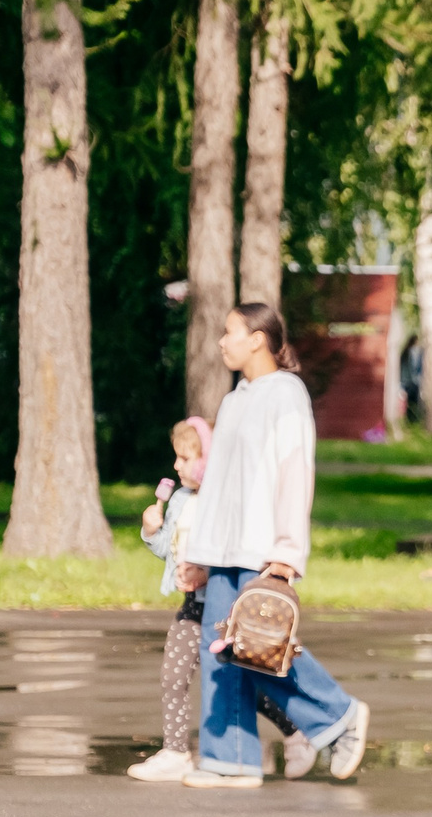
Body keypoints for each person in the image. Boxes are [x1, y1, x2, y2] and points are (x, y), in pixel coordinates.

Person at [177, 303, 370, 787]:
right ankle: (231, 760)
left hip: (261, 548)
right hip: (223, 551)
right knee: (221, 650)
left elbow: (295, 472)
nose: (222, 342)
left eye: (230, 332)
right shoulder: (234, 399)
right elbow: (216, 485)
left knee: (262, 647)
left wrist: (287, 550)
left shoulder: (287, 394)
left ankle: (339, 715)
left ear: (258, 339)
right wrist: (199, 556)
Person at [129, 417, 213, 782]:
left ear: (207, 459)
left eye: (184, 457)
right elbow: (168, 549)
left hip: (222, 604)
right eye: (175, 458)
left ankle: (294, 733)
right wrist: (151, 530)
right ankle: (176, 751)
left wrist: (205, 571)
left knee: (244, 681)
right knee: (173, 676)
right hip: (192, 605)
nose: (176, 466)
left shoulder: (220, 500)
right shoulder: (180, 499)